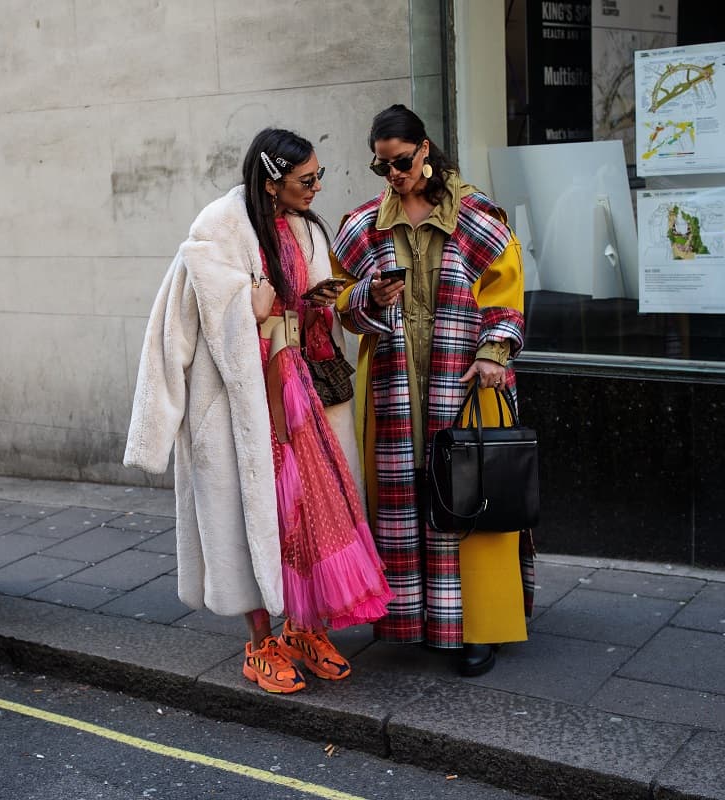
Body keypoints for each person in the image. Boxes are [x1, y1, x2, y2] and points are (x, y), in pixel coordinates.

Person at [124, 128, 391, 694]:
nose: (318, 188)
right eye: (306, 179)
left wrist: (333, 302)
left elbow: (327, 310)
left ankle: (301, 628)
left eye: (320, 176)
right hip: (238, 408)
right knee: (251, 519)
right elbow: (171, 332)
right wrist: (251, 306)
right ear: (272, 183)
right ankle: (258, 642)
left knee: (309, 514)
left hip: (303, 398)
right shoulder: (213, 234)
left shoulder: (307, 230)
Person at [332, 105, 535, 677]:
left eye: (399, 161)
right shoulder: (362, 227)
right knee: (402, 504)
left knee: (471, 503)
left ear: (424, 150)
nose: (391, 174)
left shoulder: (477, 217)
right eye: (380, 166)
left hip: (466, 383)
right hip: (394, 387)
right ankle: (418, 620)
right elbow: (339, 303)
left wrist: (495, 352)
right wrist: (368, 299)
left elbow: (509, 294)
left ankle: (481, 628)